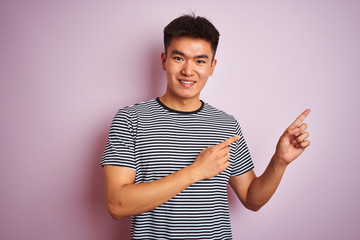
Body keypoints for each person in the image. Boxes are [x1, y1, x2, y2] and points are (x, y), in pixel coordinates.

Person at [100, 14, 310, 239]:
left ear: (212, 66)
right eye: (179, 58)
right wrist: (195, 171)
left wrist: (279, 161)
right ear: (164, 60)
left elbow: (252, 199)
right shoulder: (130, 119)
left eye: (200, 61)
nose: (188, 71)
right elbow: (117, 205)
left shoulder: (226, 125)